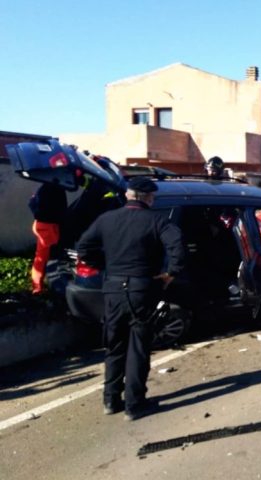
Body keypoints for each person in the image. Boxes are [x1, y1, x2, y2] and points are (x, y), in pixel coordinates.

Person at [77, 176, 184, 421]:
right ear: (148, 197)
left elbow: (84, 247)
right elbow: (177, 245)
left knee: (114, 346)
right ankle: (135, 405)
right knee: (137, 347)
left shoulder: (106, 219)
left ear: (127, 195)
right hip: (141, 291)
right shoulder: (157, 221)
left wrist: (105, 267)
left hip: (113, 290)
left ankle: (111, 400)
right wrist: (171, 274)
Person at [29, 182, 68, 294]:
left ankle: (38, 286)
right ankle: (37, 289)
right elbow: (61, 210)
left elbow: (31, 202)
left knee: (41, 256)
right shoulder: (55, 189)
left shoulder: (44, 186)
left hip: (41, 224)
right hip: (48, 227)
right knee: (43, 258)